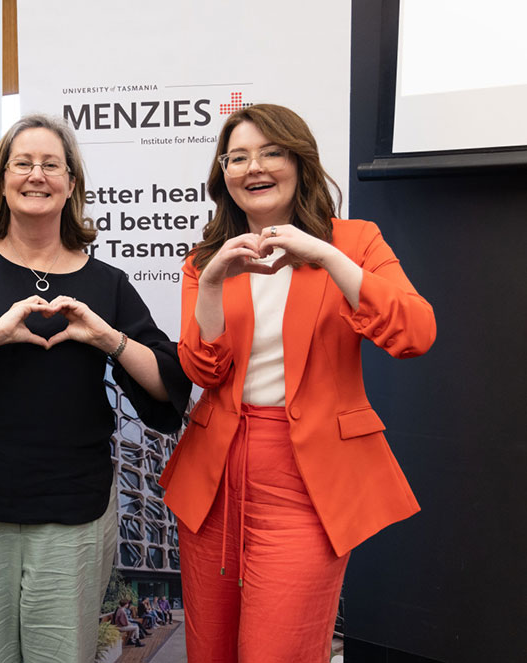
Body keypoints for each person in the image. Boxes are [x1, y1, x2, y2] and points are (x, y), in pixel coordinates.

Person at [0, 114, 189, 662]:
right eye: (22, 163)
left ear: (71, 184)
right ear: (2, 179)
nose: (36, 175)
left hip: (71, 519)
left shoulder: (105, 283)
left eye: (51, 164)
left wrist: (107, 337)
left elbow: (167, 387)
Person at [159, 104, 436, 662]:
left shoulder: (354, 242)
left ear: (300, 161)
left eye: (270, 152)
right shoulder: (205, 260)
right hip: (214, 476)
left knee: (279, 651)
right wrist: (212, 281)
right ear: (223, 177)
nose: (252, 166)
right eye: (236, 157)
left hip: (308, 480)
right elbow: (202, 371)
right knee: (208, 650)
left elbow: (415, 332)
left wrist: (326, 256)